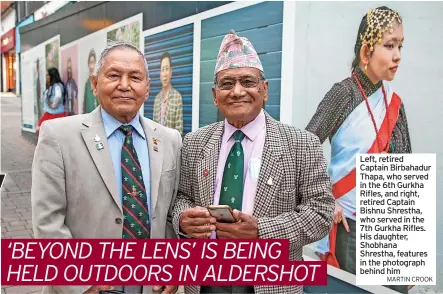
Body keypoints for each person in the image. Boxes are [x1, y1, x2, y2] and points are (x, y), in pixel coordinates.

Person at [172, 30, 335, 294]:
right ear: (215, 95)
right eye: (227, 84)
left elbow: (321, 213)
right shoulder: (194, 142)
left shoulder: (301, 144)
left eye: (247, 81)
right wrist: (182, 218)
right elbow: (181, 196)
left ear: (265, 90)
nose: (237, 92)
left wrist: (261, 231)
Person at [32, 41, 181, 294]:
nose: (124, 85)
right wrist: (80, 283)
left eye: (135, 77)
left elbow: (169, 213)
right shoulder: (58, 135)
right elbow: (47, 222)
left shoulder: (169, 140)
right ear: (94, 83)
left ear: (147, 88)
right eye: (114, 75)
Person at [306, 7, 411, 293]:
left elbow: (403, 170)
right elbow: (305, 149)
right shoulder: (343, 94)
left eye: (400, 45)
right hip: (348, 227)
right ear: (366, 52)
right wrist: (326, 197)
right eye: (389, 46)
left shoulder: (395, 104)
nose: (397, 55)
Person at [153, 52, 183, 135]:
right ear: (160, 74)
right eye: (162, 70)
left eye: (167, 69)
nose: (165, 74)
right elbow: (153, 129)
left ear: (171, 72)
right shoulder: (156, 99)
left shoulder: (177, 97)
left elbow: (179, 132)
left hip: (171, 146)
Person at [36, 67, 67, 136]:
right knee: (39, 130)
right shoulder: (52, 86)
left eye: (47, 75)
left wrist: (53, 105)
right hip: (49, 113)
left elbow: (58, 96)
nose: (46, 77)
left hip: (55, 114)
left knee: (52, 134)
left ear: (52, 76)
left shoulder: (57, 86)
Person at [83, 49, 99, 113]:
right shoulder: (87, 83)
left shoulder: (98, 81)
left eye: (93, 62)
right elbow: (85, 102)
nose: (91, 66)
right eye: (90, 62)